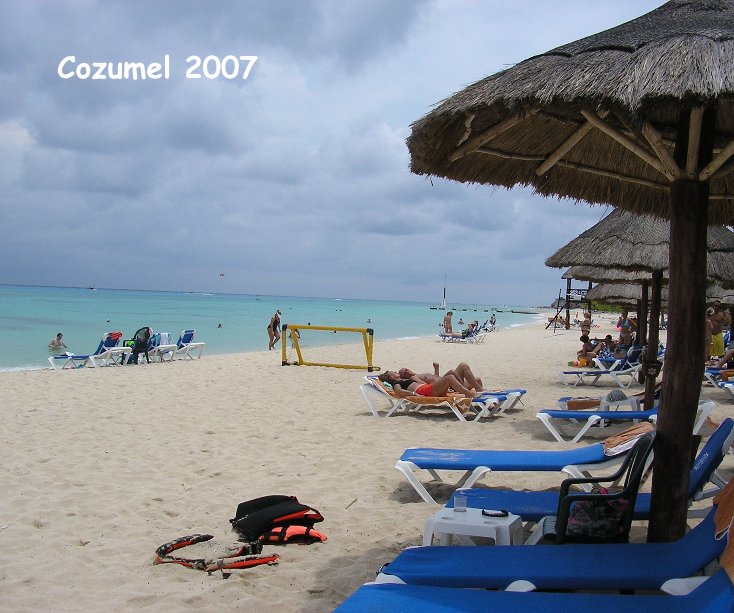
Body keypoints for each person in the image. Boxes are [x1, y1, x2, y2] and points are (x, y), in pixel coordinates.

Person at [378, 370, 476, 398]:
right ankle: (467, 394)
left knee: (450, 377)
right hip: (424, 391)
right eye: (393, 372)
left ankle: (467, 392)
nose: (396, 372)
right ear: (391, 377)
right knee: (449, 378)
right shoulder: (397, 382)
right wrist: (414, 394)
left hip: (427, 389)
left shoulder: (403, 380)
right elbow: (398, 391)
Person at [397, 361, 485, 392]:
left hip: (446, 382)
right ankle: (472, 388)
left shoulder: (418, 374)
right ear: (404, 377)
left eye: (406, 369)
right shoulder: (414, 378)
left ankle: (484, 399)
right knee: (458, 368)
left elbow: (435, 378)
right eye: (404, 373)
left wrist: (436, 369)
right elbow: (427, 386)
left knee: (477, 380)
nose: (407, 371)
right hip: (447, 385)